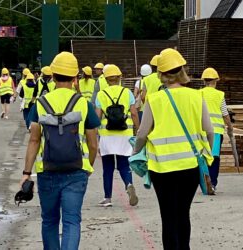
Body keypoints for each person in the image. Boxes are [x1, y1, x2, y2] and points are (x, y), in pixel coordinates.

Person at [134, 48, 214, 250]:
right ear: (182, 71)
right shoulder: (196, 96)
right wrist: (208, 154)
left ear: (160, 74)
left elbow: (143, 133)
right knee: (183, 213)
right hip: (190, 166)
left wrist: (136, 152)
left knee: (168, 216)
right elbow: (210, 130)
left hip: (162, 168)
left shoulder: (155, 99)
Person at [20, 51, 99, 250]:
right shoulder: (84, 104)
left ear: (53, 76)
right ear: (75, 78)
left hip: (48, 170)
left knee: (49, 221)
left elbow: (34, 140)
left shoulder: (41, 104)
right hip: (76, 171)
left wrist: (27, 173)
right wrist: (88, 165)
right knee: (72, 222)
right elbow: (93, 143)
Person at [95, 64, 140, 207]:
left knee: (107, 168)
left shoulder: (101, 95)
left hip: (107, 135)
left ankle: (107, 198)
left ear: (106, 79)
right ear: (120, 78)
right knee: (124, 165)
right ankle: (129, 184)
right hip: (124, 134)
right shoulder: (127, 93)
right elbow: (133, 113)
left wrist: (96, 137)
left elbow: (97, 117)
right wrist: (137, 130)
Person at [200, 67, 233, 193]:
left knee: (203, 156)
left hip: (201, 131)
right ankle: (212, 183)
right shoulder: (219, 95)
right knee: (214, 157)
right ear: (215, 81)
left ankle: (203, 181)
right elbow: (225, 114)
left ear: (204, 81)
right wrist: (230, 127)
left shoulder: (199, 93)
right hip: (216, 132)